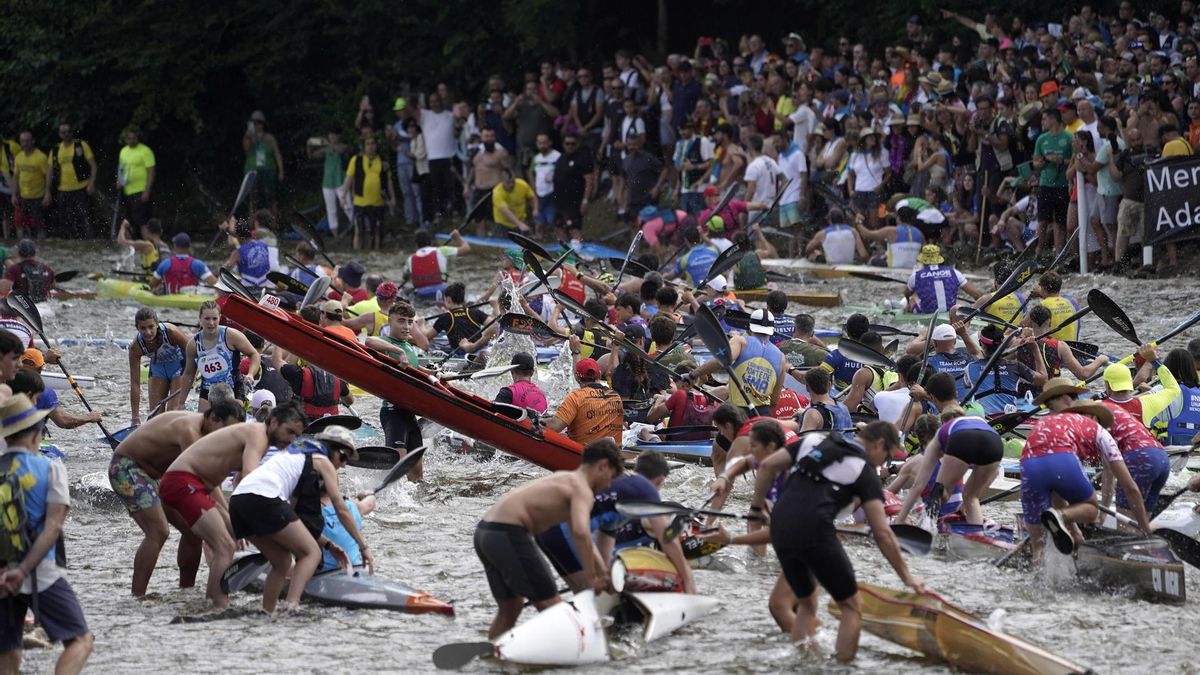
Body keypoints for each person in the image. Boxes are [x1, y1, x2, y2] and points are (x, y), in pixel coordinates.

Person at [751, 421, 923, 662]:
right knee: (851, 607)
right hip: (815, 530)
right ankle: (841, 666)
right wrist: (907, 576)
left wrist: (756, 508)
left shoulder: (814, 440)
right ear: (880, 444)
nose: (883, 465)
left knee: (807, 604)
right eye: (887, 457)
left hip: (780, 526)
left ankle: (801, 662)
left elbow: (767, 465)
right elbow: (882, 533)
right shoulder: (865, 472)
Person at [159, 403, 306, 607]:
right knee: (225, 546)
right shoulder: (257, 433)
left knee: (272, 556)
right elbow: (249, 477)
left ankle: (259, 609)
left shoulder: (259, 441)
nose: (291, 439)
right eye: (289, 431)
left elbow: (239, 481)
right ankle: (218, 607)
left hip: (197, 485)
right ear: (272, 422)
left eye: (296, 436)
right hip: (183, 482)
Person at [474, 438, 624, 639]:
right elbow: (581, 532)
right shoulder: (583, 490)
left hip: (485, 533)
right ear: (603, 466)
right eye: (611, 477)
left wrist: (602, 571)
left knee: (511, 608)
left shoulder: (566, 478)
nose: (608, 485)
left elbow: (579, 533)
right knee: (553, 608)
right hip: (508, 532)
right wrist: (591, 579)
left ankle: (494, 654)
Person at [229, 426, 373, 613]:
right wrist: (364, 547)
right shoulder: (322, 460)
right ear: (332, 448)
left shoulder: (299, 457)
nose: (343, 465)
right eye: (343, 457)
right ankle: (292, 607)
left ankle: (268, 613)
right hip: (262, 499)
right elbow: (341, 509)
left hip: (238, 501)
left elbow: (297, 519)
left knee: (282, 561)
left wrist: (329, 545)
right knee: (312, 553)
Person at [108, 403, 242, 596]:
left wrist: (228, 517)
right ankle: (137, 597)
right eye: (226, 430)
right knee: (158, 531)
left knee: (194, 531)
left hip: (162, 475)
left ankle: (185, 591)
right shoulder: (190, 430)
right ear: (212, 419)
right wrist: (229, 520)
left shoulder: (209, 432)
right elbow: (204, 480)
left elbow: (213, 482)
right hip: (127, 467)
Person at [0, 395, 93, 674]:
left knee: (7, 649)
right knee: (80, 639)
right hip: (39, 571)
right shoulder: (50, 468)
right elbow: (53, 528)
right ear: (37, 433)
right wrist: (23, 570)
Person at [536, 451, 696, 594]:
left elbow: (605, 542)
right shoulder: (646, 488)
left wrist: (608, 577)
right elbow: (667, 536)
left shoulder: (622, 489)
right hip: (564, 530)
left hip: (544, 530)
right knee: (592, 594)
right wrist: (687, 576)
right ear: (660, 480)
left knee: (584, 593)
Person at [1029, 380, 1151, 560]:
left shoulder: (1046, 426)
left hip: (1030, 466)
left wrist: (1075, 526)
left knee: (1038, 548)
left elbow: (1057, 487)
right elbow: (1127, 486)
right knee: (1091, 509)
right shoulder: (1094, 431)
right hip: (1151, 455)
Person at [894, 406, 1004, 526]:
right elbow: (995, 473)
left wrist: (899, 521)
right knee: (971, 498)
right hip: (995, 441)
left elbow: (918, 485)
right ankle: (976, 535)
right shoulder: (968, 423)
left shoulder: (939, 438)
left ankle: (929, 528)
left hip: (965, 438)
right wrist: (964, 505)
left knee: (940, 491)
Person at [363, 302, 427, 481]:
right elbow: (368, 341)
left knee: (417, 475)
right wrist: (397, 351)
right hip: (393, 413)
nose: (406, 327)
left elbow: (418, 371)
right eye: (401, 321)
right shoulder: (387, 342)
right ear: (390, 321)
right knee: (397, 472)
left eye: (409, 322)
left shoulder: (410, 349)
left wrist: (437, 374)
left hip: (410, 415)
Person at [179, 301, 260, 411]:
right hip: (208, 390)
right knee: (205, 426)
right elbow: (189, 373)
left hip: (233, 388)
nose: (211, 323)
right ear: (200, 319)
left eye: (214, 319)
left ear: (219, 318)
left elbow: (254, 354)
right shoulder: (193, 344)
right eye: (207, 319)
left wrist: (250, 374)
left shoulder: (232, 335)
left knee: (231, 424)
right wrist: (181, 402)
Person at [961, 323, 1047, 415]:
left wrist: (964, 334)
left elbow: (966, 385)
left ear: (982, 345)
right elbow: (1044, 379)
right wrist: (1035, 348)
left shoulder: (970, 367)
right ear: (1003, 344)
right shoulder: (1016, 366)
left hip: (984, 421)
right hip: (1008, 419)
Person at [127, 308, 190, 424]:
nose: (148, 332)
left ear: (157, 324)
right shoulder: (135, 348)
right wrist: (135, 417)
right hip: (158, 369)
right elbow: (135, 384)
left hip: (179, 366)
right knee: (155, 417)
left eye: (151, 327)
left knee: (172, 412)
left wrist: (191, 377)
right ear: (137, 328)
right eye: (143, 328)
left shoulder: (171, 332)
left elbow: (194, 352)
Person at [546, 356, 624, 446]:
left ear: (577, 378)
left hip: (586, 455)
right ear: (599, 373)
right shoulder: (615, 396)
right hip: (614, 454)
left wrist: (536, 421)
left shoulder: (576, 397)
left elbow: (555, 426)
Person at [1021, 304, 1108, 380]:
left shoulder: (1017, 342)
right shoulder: (1060, 346)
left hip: (1021, 393)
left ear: (1030, 322)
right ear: (1050, 323)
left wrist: (1021, 336)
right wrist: (1100, 360)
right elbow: (1083, 374)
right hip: (1049, 392)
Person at [341, 135, 396, 250]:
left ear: (376, 146)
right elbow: (349, 178)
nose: (371, 146)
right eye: (368, 144)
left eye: (373, 144)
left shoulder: (383, 161)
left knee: (377, 230)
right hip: (360, 201)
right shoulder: (356, 159)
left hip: (378, 202)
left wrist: (392, 198)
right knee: (358, 230)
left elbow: (389, 181)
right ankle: (357, 252)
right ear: (364, 147)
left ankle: (376, 251)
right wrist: (343, 196)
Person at [1031, 108, 1072, 257]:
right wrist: (1040, 163)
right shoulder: (1042, 139)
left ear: (1053, 119)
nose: (1043, 122)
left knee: (1059, 222)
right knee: (1042, 221)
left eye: (1045, 119)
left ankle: (1059, 254)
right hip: (1045, 184)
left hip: (1062, 185)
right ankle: (1038, 252)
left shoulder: (1069, 137)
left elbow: (1074, 161)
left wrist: (1060, 160)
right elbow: (1035, 162)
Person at [47, 122, 97, 238]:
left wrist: (91, 183)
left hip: (82, 188)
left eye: (69, 131)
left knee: (87, 218)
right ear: (60, 134)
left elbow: (93, 166)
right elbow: (50, 172)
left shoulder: (81, 145)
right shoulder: (55, 149)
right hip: (63, 191)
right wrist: (47, 192)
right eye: (63, 132)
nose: (67, 134)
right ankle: (70, 244)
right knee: (66, 221)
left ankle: (91, 242)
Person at [905, 244, 983, 314]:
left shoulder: (916, 276)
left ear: (923, 260)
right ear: (938, 258)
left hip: (927, 313)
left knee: (912, 299)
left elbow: (907, 293)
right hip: (950, 313)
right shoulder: (954, 272)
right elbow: (977, 294)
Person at [424, 282, 488, 357]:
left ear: (448, 300)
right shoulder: (474, 312)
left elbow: (427, 336)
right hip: (481, 349)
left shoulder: (445, 318)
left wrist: (421, 323)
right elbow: (494, 324)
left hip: (461, 355)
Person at [279, 359, 352, 423]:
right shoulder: (339, 379)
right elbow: (350, 401)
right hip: (330, 420)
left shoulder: (298, 374)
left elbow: (277, 361)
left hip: (306, 421)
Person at [553, 131, 595, 241]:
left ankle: (579, 253)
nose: (570, 146)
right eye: (567, 143)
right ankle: (564, 254)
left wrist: (585, 200)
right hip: (560, 200)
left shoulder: (583, 158)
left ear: (577, 144)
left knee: (574, 228)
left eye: (573, 143)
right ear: (563, 144)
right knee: (559, 228)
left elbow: (589, 180)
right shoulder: (561, 158)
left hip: (574, 201)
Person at [242, 110, 284, 219]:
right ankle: (252, 225)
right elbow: (246, 150)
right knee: (253, 199)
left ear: (263, 123)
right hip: (253, 171)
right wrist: (248, 137)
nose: (257, 125)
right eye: (254, 122)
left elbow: (277, 154)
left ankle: (274, 223)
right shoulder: (249, 136)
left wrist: (281, 171)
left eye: (259, 122)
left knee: (271, 198)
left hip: (269, 170)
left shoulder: (269, 138)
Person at [307, 129, 351, 235]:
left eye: (334, 135)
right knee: (331, 210)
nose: (332, 137)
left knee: (348, 206)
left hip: (340, 181)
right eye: (330, 135)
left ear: (338, 136)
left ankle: (357, 228)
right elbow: (311, 156)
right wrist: (309, 144)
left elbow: (341, 150)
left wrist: (326, 144)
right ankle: (335, 235)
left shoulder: (343, 146)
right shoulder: (325, 149)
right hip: (327, 183)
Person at [855, 204, 925, 268]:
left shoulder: (891, 231)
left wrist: (858, 222)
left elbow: (867, 234)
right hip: (913, 268)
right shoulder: (920, 234)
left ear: (898, 218)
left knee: (873, 259)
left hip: (893, 268)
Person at [403, 229, 470, 295]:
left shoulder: (410, 259)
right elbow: (466, 248)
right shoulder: (441, 251)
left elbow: (405, 277)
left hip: (421, 294)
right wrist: (458, 238)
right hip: (442, 291)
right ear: (431, 241)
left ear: (416, 244)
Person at [9, 132, 49, 239]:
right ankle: (22, 246)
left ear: (33, 141)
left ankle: (42, 247)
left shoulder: (40, 157)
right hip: (22, 197)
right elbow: (15, 177)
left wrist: (47, 194)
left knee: (39, 225)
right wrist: (13, 195)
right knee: (19, 224)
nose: (25, 143)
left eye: (27, 141)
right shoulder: (18, 157)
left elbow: (48, 176)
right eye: (22, 141)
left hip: (38, 197)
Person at [150, 232, 215, 294]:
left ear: (175, 246)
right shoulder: (198, 264)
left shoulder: (165, 264)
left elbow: (152, 284)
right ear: (189, 247)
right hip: (192, 298)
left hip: (170, 298)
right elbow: (215, 283)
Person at [219, 214, 272, 289]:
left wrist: (214, 274)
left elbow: (224, 270)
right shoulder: (264, 245)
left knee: (221, 281)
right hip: (266, 286)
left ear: (238, 236)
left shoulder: (238, 253)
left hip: (249, 288)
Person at [117, 128, 155, 227]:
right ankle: (129, 242)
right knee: (127, 221)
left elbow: (151, 172)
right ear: (126, 140)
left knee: (142, 220)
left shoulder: (145, 151)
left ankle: (148, 241)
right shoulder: (123, 151)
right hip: (126, 191)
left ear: (137, 139)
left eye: (134, 138)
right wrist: (118, 181)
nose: (132, 140)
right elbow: (121, 169)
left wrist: (147, 191)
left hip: (141, 191)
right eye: (129, 138)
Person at [798, 367, 852, 436]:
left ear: (807, 388)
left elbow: (802, 444)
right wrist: (804, 413)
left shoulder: (812, 414)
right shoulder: (843, 407)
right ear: (829, 385)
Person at [1030, 271, 1082, 341]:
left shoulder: (1042, 305)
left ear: (1044, 288)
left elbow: (1023, 324)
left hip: (1054, 349)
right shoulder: (1072, 302)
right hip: (1074, 346)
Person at [490, 169, 536, 234]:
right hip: (503, 224)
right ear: (502, 181)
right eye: (508, 183)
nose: (511, 184)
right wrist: (519, 224)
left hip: (520, 221)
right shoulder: (497, 193)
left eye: (513, 182)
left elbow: (532, 197)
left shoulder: (522, 184)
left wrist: (535, 209)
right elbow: (506, 211)